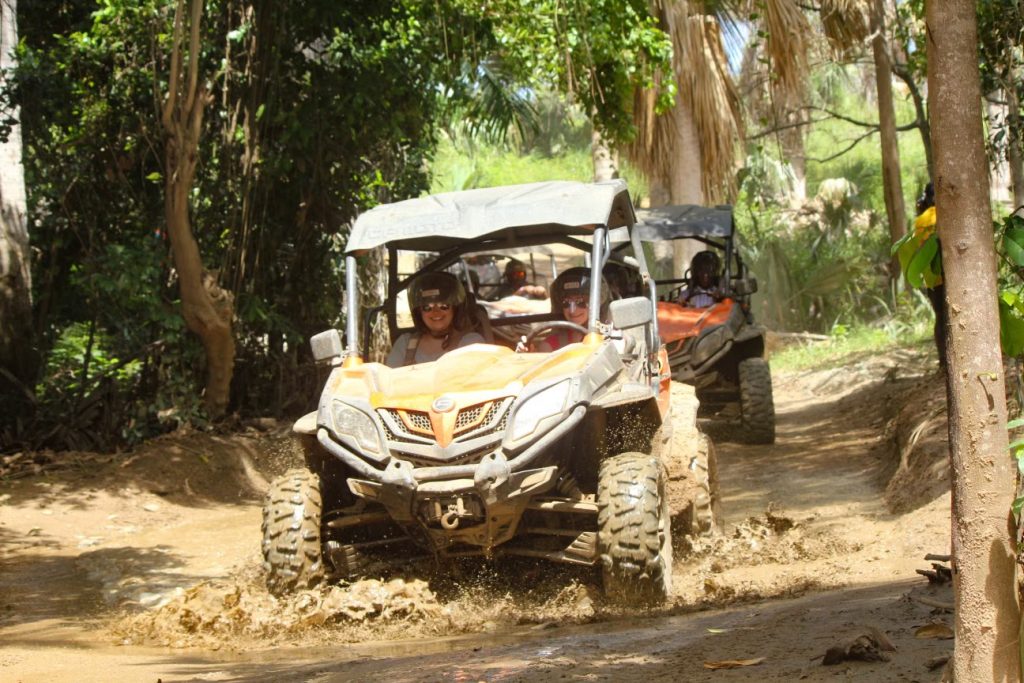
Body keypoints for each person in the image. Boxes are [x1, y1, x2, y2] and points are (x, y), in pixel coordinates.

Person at [385, 272, 485, 367]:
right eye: (427, 307)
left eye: (444, 306)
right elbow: (389, 381)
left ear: (455, 310)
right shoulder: (405, 344)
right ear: (419, 312)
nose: (436, 312)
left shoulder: (471, 343)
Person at [534, 267, 610, 352]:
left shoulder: (611, 339)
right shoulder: (551, 344)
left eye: (580, 301)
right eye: (566, 301)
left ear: (596, 302)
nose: (572, 310)